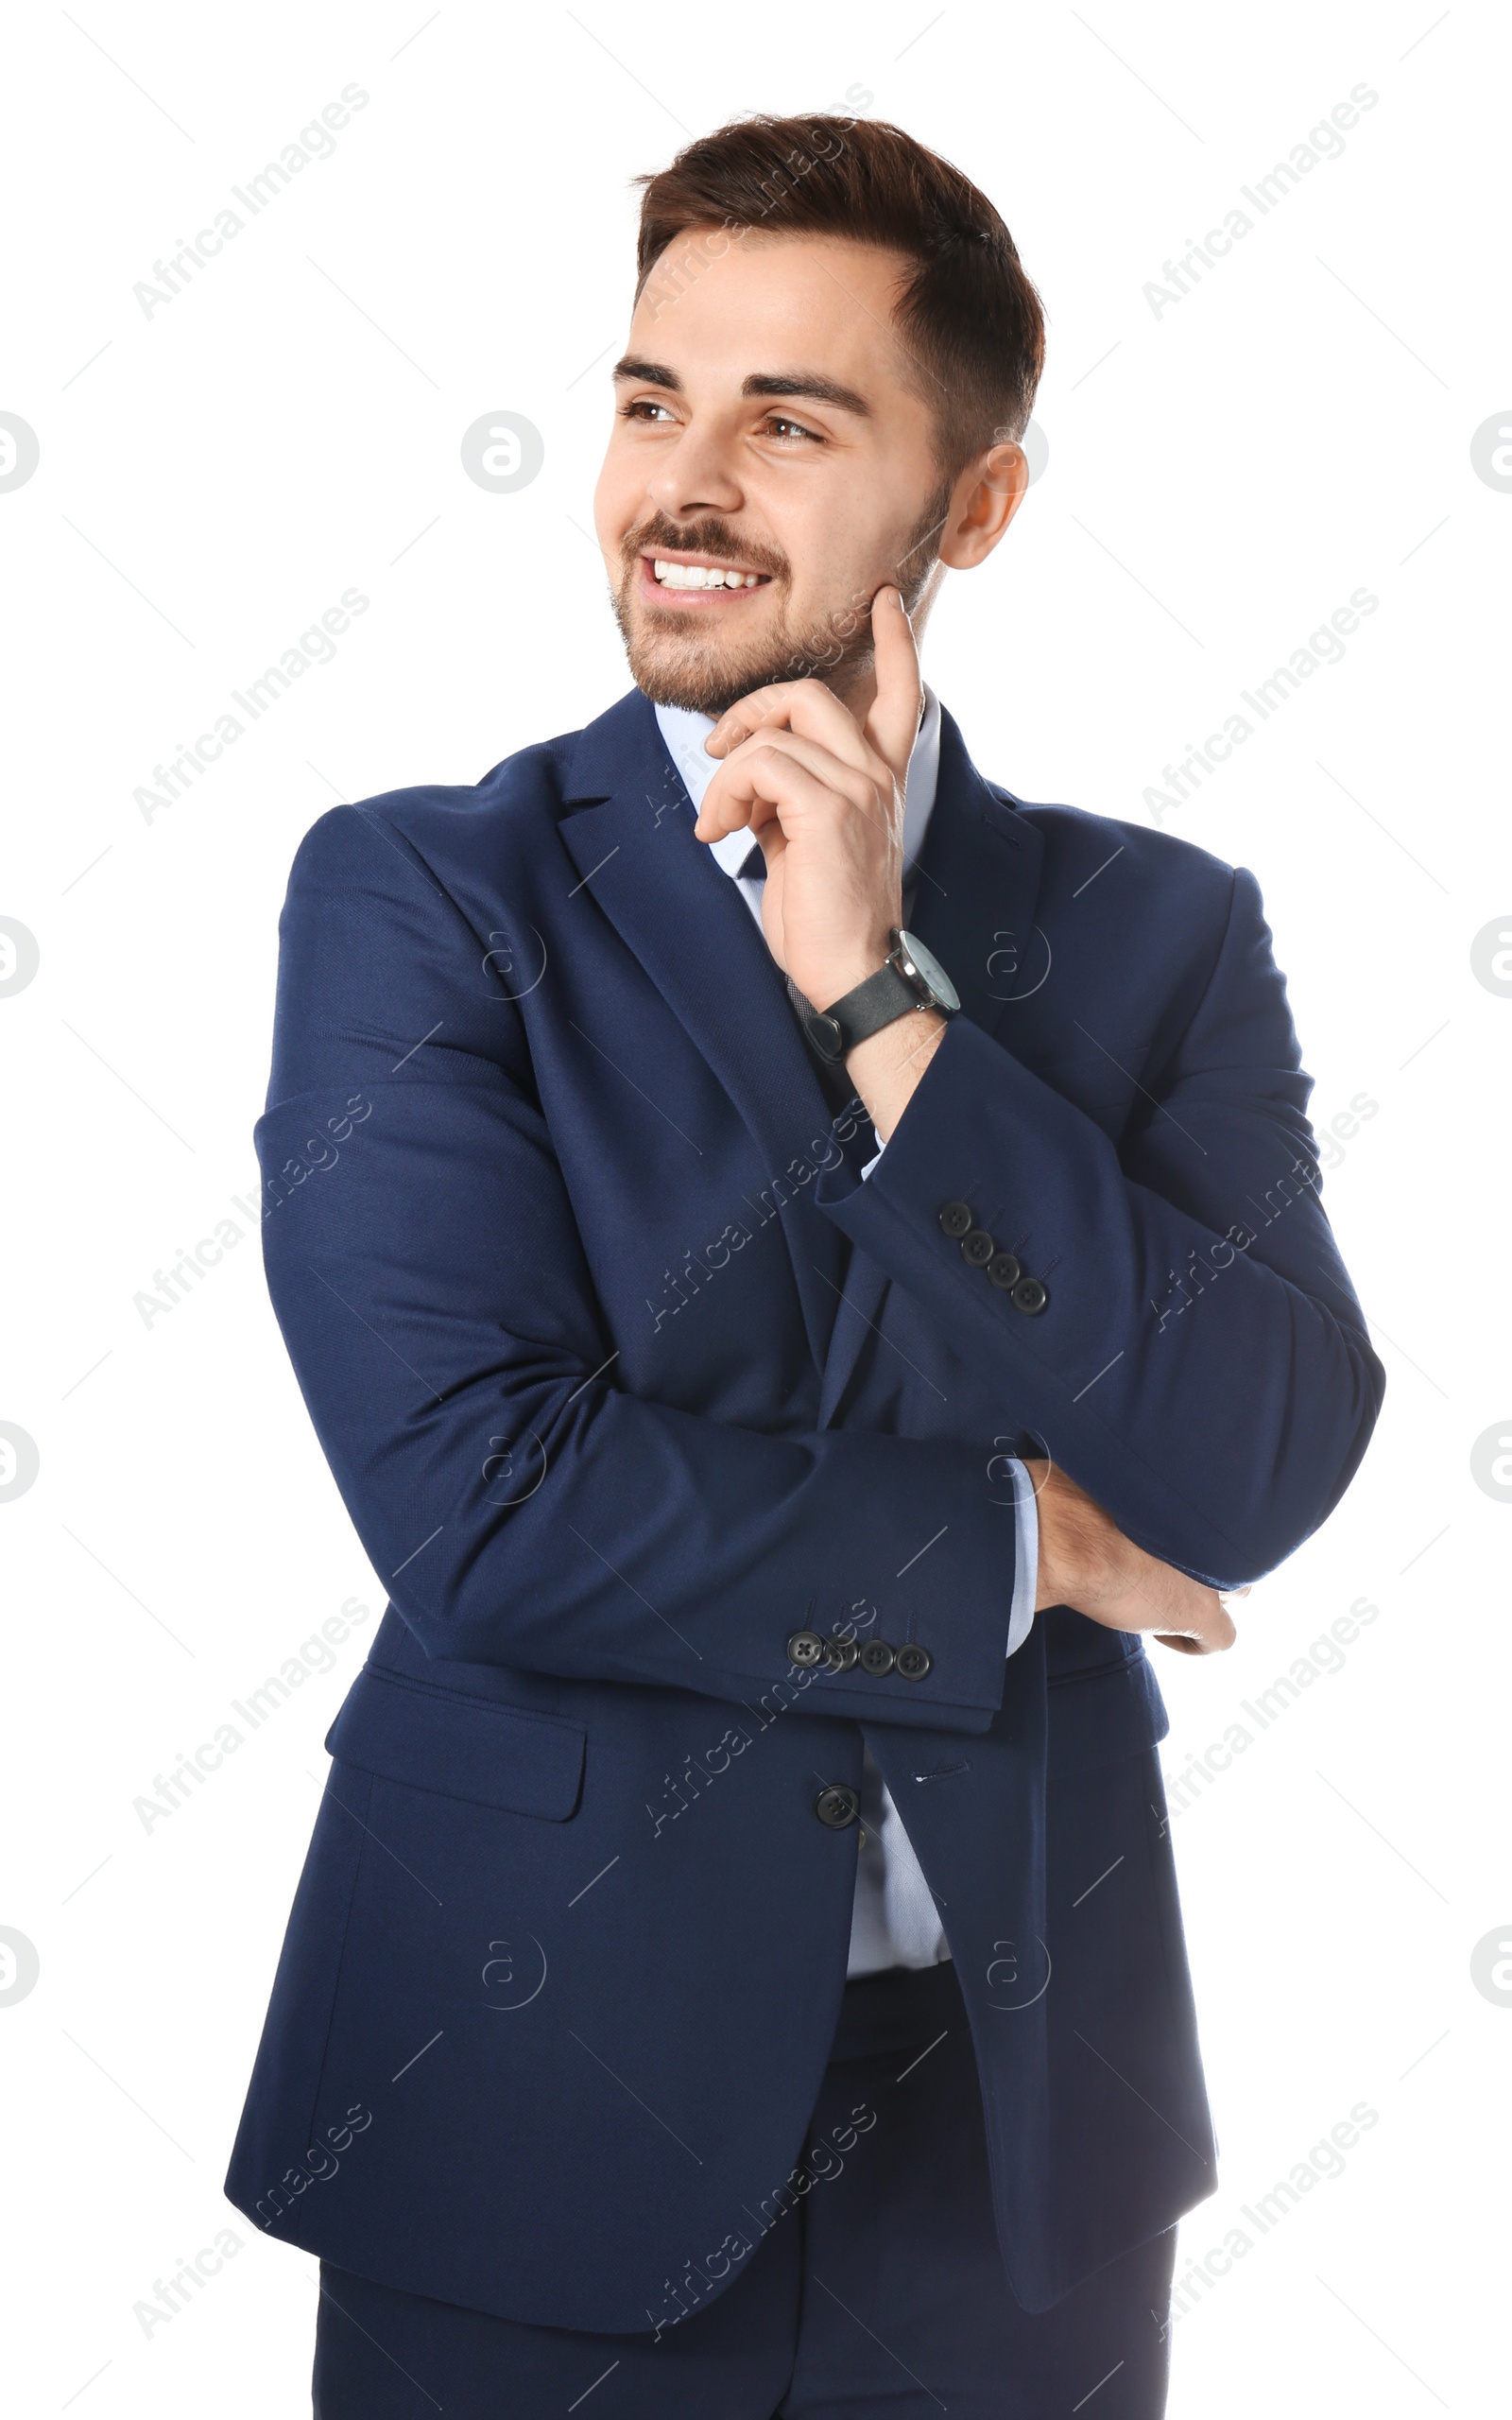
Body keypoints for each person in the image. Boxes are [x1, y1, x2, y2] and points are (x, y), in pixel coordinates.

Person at [224, 112, 1383, 2418]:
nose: (682, 478)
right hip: (521, 2091)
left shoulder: (1152, 933)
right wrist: (1017, 1540)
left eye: (787, 419)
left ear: (970, 509)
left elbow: (1248, 1460)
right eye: (651, 397)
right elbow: (488, 1505)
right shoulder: (419, 897)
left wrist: (885, 1009)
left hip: (1017, 2146)